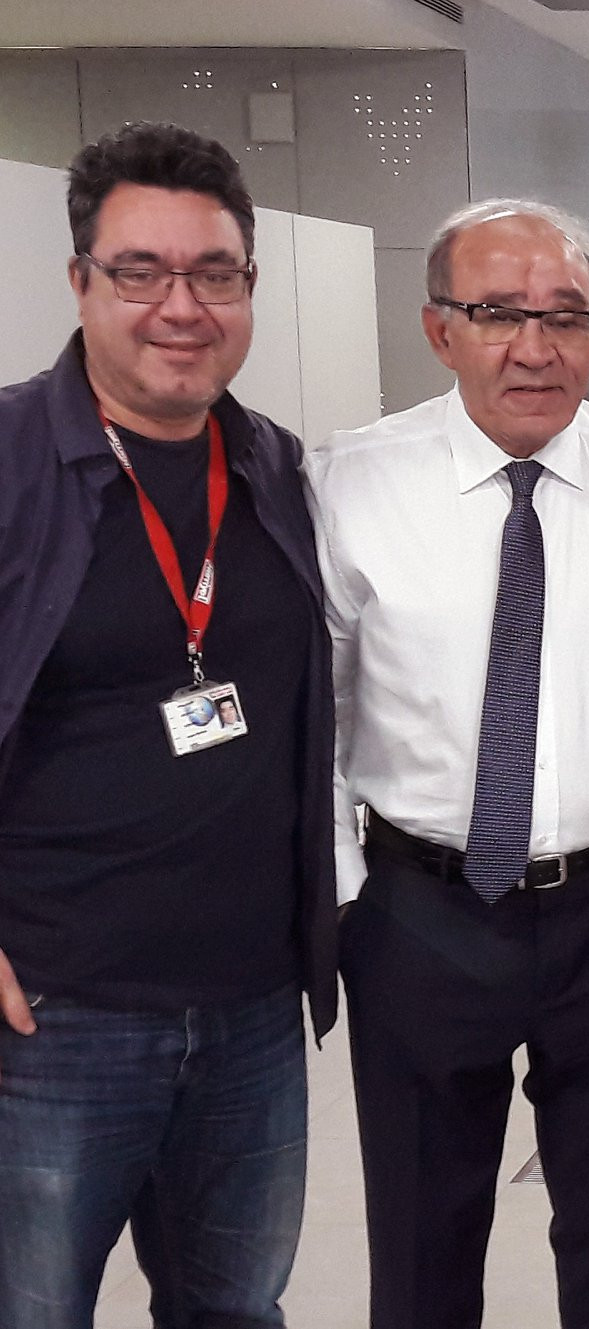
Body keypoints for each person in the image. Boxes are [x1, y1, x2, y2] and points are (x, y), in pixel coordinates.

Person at [306, 199, 589, 1328]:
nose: (535, 348)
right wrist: (350, 900)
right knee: (422, 1250)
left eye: (565, 317)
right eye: (498, 314)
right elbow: (319, 716)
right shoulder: (349, 482)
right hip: (418, 915)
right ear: (439, 329)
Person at [0, 121, 338, 1327]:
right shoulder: (9, 464)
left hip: (251, 1008)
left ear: (248, 285)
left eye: (213, 273)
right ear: (81, 280)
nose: (180, 308)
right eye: (140, 272)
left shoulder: (274, 470)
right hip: (54, 1018)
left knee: (235, 1311)